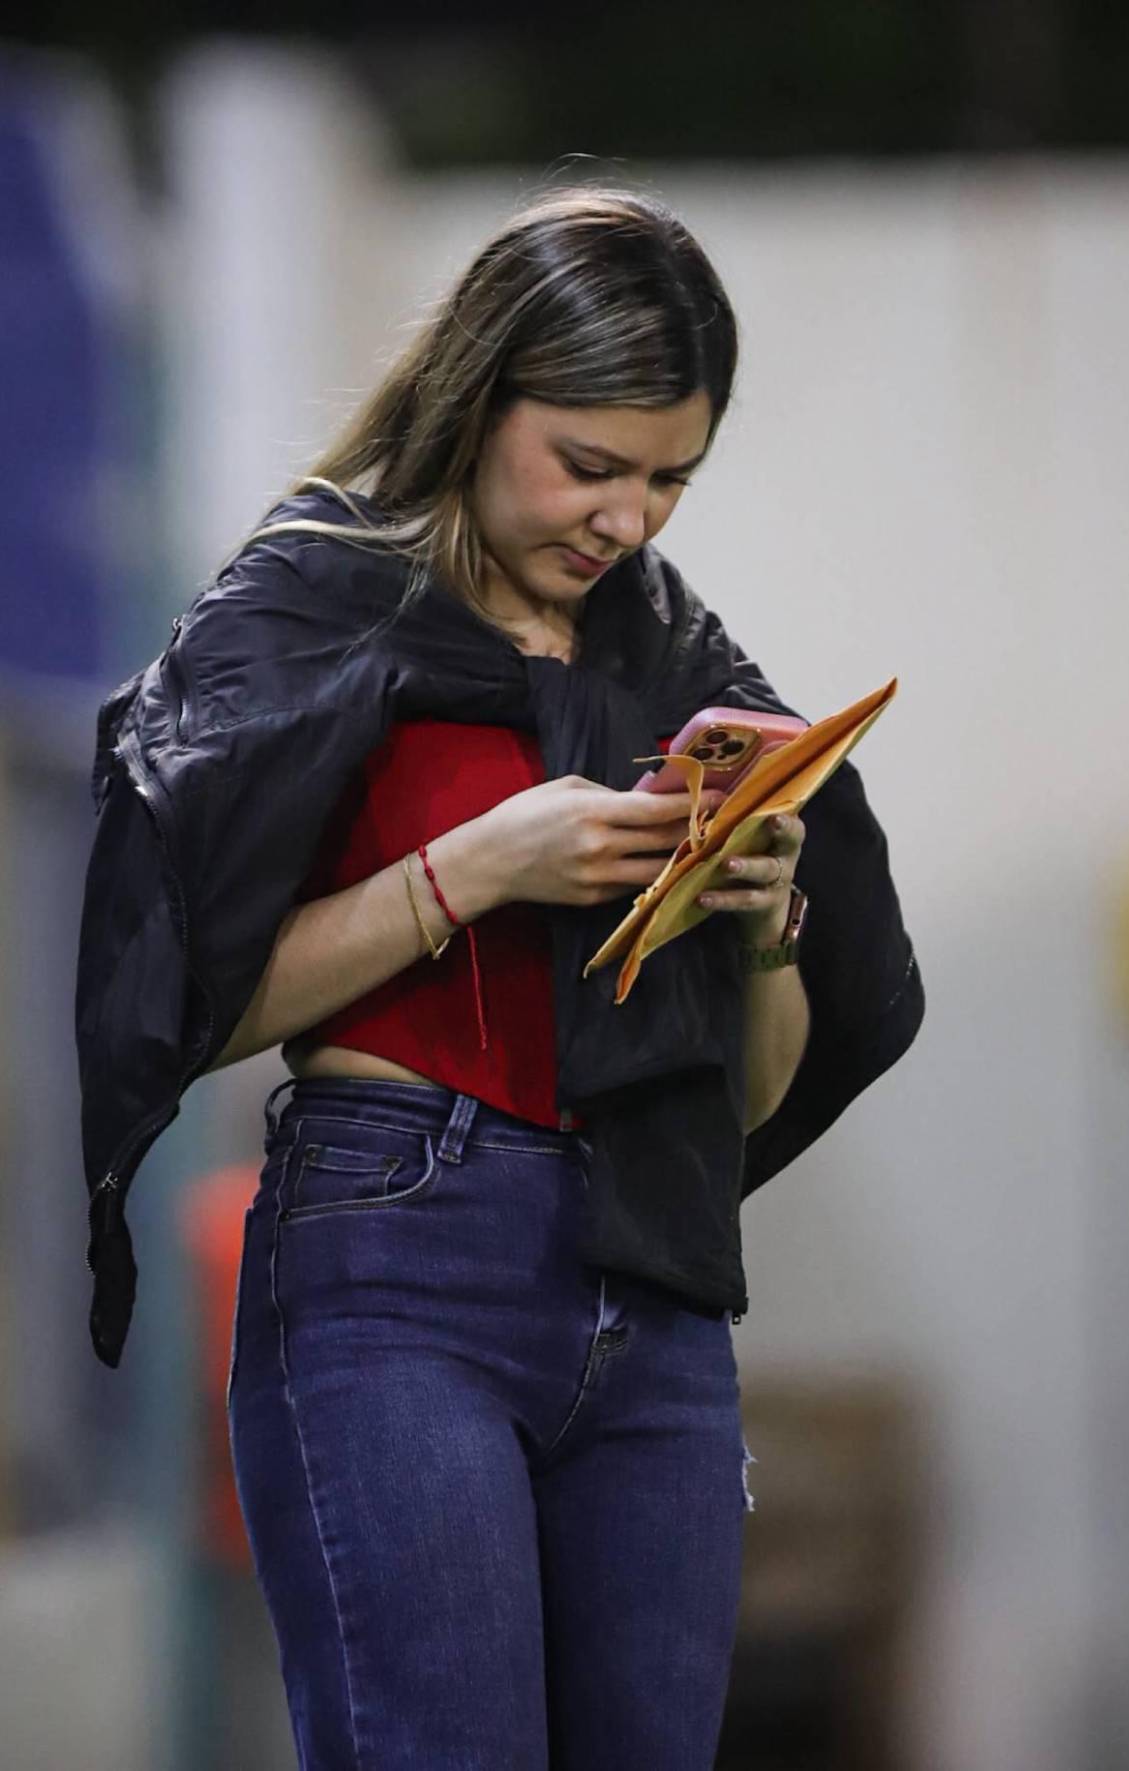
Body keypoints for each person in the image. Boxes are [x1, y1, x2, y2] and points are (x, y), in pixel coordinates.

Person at [75, 183, 924, 1769]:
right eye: (590, 466)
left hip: (652, 1288)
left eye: (673, 478)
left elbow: (740, 1104)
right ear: (478, 398)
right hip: (397, 1261)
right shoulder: (311, 607)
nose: (630, 521)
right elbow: (193, 1005)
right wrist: (480, 868)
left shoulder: (676, 665)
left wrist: (754, 917)